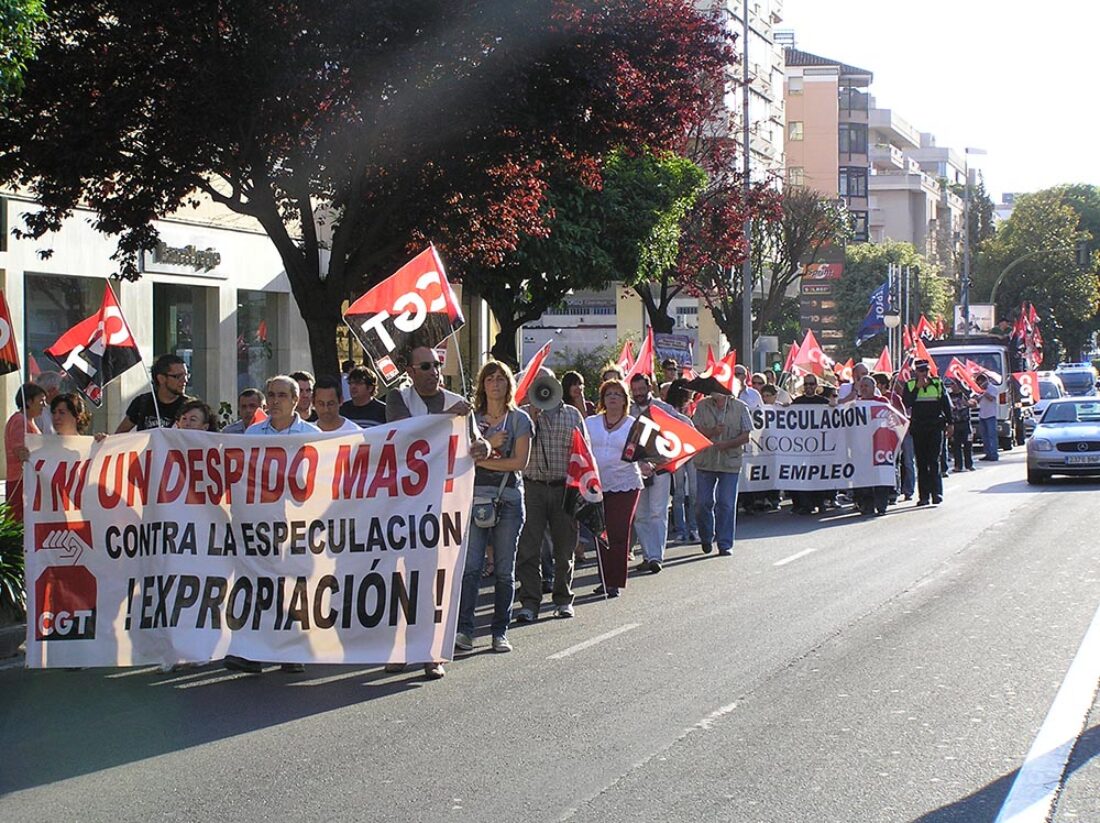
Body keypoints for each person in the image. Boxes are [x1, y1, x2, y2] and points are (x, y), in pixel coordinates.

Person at [386, 345, 488, 679]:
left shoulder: (457, 403)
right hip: (403, 505)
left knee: (433, 579)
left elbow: (475, 443)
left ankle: (432, 651)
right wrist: (452, 416)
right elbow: (406, 434)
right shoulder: (399, 399)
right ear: (411, 371)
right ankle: (399, 647)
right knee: (400, 579)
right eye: (425, 366)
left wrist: (481, 445)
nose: (433, 371)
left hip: (440, 507)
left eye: (437, 365)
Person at [224, 376, 321, 676]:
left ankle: (292, 651)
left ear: (296, 400)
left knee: (292, 586)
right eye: (271, 395)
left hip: (297, 524)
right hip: (259, 524)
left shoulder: (312, 434)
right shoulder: (253, 434)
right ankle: (253, 651)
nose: (275, 400)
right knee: (258, 584)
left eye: (282, 395)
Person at [455, 361, 532, 654]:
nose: (495, 383)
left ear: (509, 384)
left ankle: (500, 631)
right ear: (482, 384)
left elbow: (519, 463)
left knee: (503, 569)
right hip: (474, 499)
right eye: (490, 378)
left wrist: (482, 459)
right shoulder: (470, 420)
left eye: (501, 378)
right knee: (471, 568)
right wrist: (488, 443)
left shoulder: (520, 420)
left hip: (508, 498)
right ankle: (465, 630)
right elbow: (461, 458)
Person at [514, 369, 588, 622]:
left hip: (563, 487)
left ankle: (563, 598)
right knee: (528, 548)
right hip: (532, 487)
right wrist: (532, 420)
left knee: (564, 547)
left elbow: (584, 455)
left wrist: (582, 490)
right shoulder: (523, 415)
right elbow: (515, 449)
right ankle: (529, 602)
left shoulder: (573, 415)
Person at [587, 379, 643, 597]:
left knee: (618, 531)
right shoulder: (590, 423)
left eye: (617, 394)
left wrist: (647, 462)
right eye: (608, 393)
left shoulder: (634, 425)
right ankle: (604, 578)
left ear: (624, 400)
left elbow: (643, 452)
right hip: (596, 485)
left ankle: (615, 581)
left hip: (626, 485)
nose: (612, 397)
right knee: (601, 532)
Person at [629, 373, 688, 574]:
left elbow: (686, 425)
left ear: (649, 388)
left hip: (660, 467)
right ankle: (647, 554)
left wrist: (671, 451)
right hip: (636, 468)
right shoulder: (628, 410)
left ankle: (656, 557)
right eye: (634, 390)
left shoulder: (662, 408)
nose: (638, 393)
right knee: (640, 515)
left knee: (658, 512)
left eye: (641, 389)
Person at [690, 387, 752, 555]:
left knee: (726, 503)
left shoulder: (740, 407)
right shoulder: (702, 406)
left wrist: (727, 444)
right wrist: (712, 432)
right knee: (702, 502)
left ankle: (724, 543)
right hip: (705, 461)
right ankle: (706, 536)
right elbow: (695, 429)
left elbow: (746, 435)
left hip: (729, 462)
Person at [902, 359, 953, 506]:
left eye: (926, 370)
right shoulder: (910, 385)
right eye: (920, 371)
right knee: (922, 463)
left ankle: (937, 493)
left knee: (934, 460)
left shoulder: (937, 383)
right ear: (916, 372)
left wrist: (950, 423)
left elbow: (945, 404)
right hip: (919, 427)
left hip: (935, 426)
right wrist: (917, 388)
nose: (924, 373)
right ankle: (924, 496)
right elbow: (907, 403)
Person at [116, 353, 193, 432]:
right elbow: (119, 434)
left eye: (186, 375)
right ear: (161, 378)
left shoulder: (190, 406)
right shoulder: (142, 402)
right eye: (178, 376)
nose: (185, 380)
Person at [787, 375, 830, 515]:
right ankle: (805, 504)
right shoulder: (797, 402)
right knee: (802, 475)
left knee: (819, 475)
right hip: (802, 447)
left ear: (816, 385)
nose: (809, 387)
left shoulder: (824, 402)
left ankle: (821, 501)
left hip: (820, 446)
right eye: (806, 384)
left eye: (811, 384)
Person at [851, 376, 892, 516]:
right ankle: (867, 505)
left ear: (874, 388)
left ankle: (881, 505)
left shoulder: (882, 402)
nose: (863, 389)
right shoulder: (856, 404)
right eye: (861, 386)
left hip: (880, 444)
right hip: (863, 445)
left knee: (881, 475)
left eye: (866, 386)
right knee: (864, 476)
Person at [5, 383, 45, 521]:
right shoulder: (19, 421)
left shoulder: (28, 421)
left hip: (28, 479)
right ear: (29, 401)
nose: (44, 405)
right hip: (20, 479)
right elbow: (21, 451)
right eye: (41, 400)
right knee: (19, 521)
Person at [666, 380, 700, 540]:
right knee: (678, 492)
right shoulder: (669, 409)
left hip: (692, 451)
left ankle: (693, 527)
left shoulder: (695, 406)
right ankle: (680, 529)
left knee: (694, 491)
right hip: (677, 451)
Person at [946, 378, 976, 472]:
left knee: (968, 445)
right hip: (955, 424)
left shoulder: (965, 394)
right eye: (952, 384)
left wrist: (967, 403)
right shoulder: (949, 396)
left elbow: (974, 403)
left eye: (955, 384)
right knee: (956, 446)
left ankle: (969, 465)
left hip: (965, 423)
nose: (953, 386)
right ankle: (958, 466)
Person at [975, 372, 1001, 462]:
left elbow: (991, 398)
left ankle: (994, 455)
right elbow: (977, 401)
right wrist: (978, 395)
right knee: (984, 436)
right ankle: (987, 454)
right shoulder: (980, 390)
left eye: (980, 383)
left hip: (991, 415)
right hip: (982, 415)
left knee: (992, 436)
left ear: (985, 381)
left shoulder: (993, 388)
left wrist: (984, 393)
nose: (980, 385)